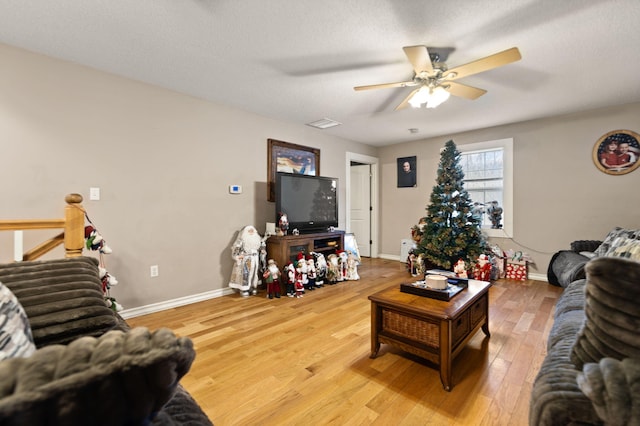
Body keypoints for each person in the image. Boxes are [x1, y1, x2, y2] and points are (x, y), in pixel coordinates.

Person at [229, 225, 263, 296]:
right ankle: (244, 289)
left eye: (252, 231)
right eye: (249, 231)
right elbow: (236, 249)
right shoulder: (241, 240)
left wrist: (263, 250)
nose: (251, 232)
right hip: (247, 259)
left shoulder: (257, 239)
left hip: (255, 258)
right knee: (246, 274)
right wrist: (238, 256)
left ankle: (253, 286)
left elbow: (262, 245)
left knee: (255, 273)